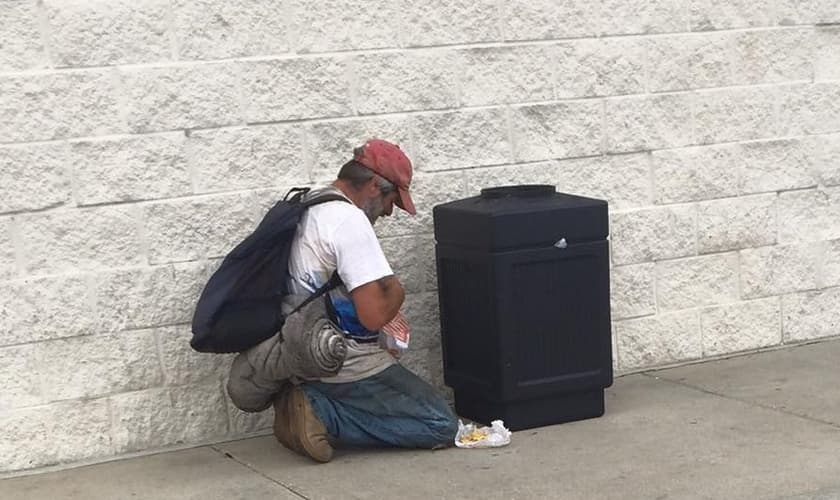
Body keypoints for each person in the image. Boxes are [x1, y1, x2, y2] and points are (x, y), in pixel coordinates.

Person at [272, 138, 459, 463]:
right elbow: (373, 316)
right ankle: (321, 412)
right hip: (344, 362)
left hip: (303, 350)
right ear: (373, 185)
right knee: (441, 424)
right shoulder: (349, 221)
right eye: (391, 200)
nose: (388, 212)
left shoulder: (311, 204)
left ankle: (310, 402)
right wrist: (397, 290)